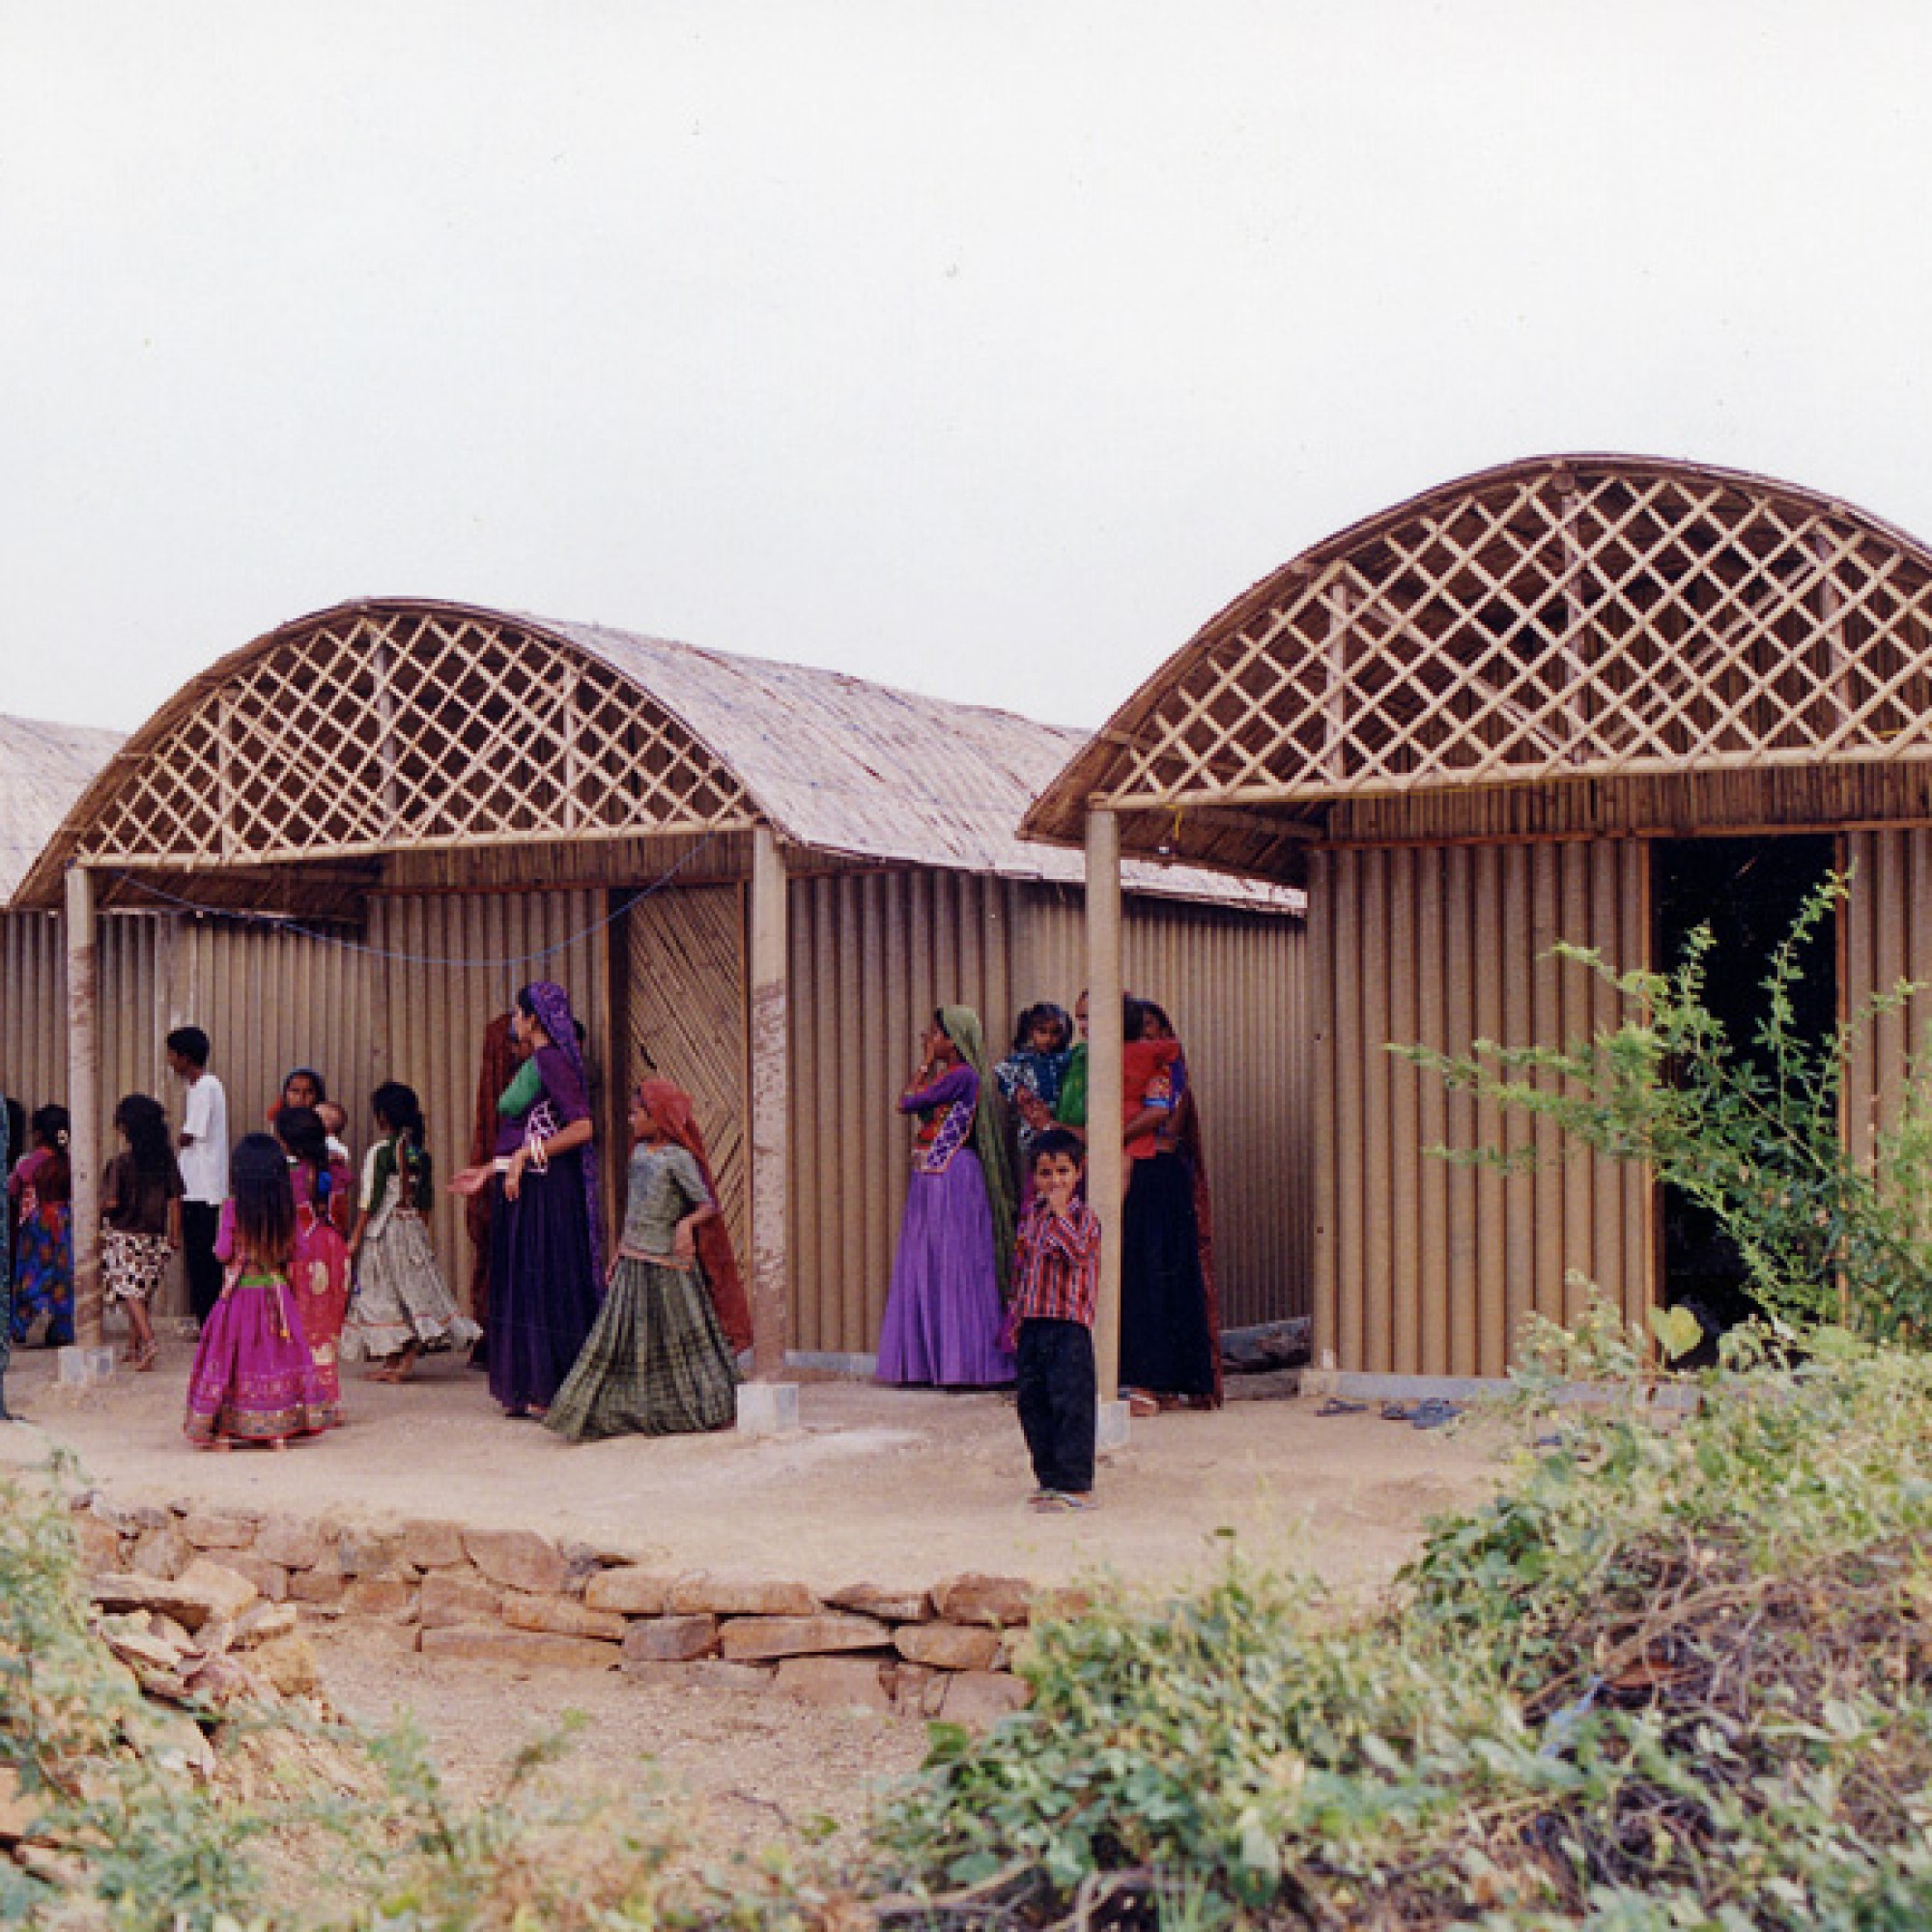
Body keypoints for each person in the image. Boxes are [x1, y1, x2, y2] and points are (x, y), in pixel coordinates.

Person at [547, 1079, 740, 1441]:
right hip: (634, 1260)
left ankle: (682, 1409)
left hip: (669, 1267)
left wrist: (685, 1225)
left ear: (658, 1117)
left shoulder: (679, 1159)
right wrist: (619, 1250)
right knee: (619, 1340)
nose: (631, 1121)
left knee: (676, 1342)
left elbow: (706, 1206)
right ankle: (621, 1411)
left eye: (637, 1114)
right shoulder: (638, 1154)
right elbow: (634, 1206)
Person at [877, 1007, 1017, 1388]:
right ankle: (935, 1363)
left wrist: (923, 1065)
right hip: (932, 1175)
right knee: (932, 1262)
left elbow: (906, 1102)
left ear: (953, 1040)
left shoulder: (963, 1077)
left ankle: (961, 1366)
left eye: (936, 1034)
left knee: (955, 1264)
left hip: (952, 1176)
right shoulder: (951, 1078)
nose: (929, 1039)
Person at [482, 982, 602, 1419]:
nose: (514, 1020)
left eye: (517, 1013)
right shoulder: (534, 1063)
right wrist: (490, 1170)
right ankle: (530, 1384)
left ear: (532, 1019)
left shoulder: (551, 1061)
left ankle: (550, 1386)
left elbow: (581, 1128)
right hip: (525, 1189)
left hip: (547, 1191)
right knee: (525, 1282)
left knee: (544, 1281)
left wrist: (524, 1156)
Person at [184, 1134, 333, 1450]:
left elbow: (223, 1252)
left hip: (240, 1295)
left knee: (232, 1358)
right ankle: (276, 1430)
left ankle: (225, 1432)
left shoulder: (231, 1209)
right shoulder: (285, 1210)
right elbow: (298, 1251)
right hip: (277, 1295)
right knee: (275, 1356)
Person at [1118, 999, 1219, 1412]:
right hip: (1147, 1171)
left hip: (1157, 1174)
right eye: (1141, 1032)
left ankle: (1156, 1382)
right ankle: (1164, 1383)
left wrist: (1114, 1133)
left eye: (1156, 1030)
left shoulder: (1166, 1073)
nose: (1151, 1039)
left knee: (1156, 1276)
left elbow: (1163, 1117)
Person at [342, 1081, 478, 1380]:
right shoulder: (419, 1153)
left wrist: (355, 1237)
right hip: (411, 1228)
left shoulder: (382, 1152)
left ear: (382, 1117)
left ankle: (401, 1360)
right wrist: (420, 1233)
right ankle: (395, 1361)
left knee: (384, 1292)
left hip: (384, 1231)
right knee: (410, 1291)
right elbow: (425, 1198)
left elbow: (371, 1198)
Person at [1004, 1128, 1102, 1513]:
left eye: (1063, 1171)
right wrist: (1015, 1317)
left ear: (1079, 1172)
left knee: (1070, 1402)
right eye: (1046, 1173)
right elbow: (1023, 1270)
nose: (1055, 1181)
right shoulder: (1032, 1217)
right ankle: (1049, 1479)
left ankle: (1076, 1482)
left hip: (1068, 1325)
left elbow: (1078, 1254)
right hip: (1034, 1323)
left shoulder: (1084, 1219)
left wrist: (1061, 1213)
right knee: (1034, 1403)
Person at [271, 1105, 354, 1408]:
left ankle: (305, 1400)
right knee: (326, 1329)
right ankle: (328, 1398)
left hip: (300, 1250)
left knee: (297, 1327)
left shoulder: (286, 1175)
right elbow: (340, 1216)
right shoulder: (334, 1171)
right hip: (332, 1249)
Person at [101, 1094, 184, 1372]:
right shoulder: (166, 1161)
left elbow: (111, 1202)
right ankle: (133, 1347)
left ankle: (149, 1343)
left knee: (130, 1292)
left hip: (126, 1232)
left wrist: (97, 1209)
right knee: (142, 1292)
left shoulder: (121, 1164)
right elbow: (175, 1198)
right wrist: (175, 1234)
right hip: (156, 1234)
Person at [166, 1026, 229, 1325]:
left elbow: (191, 1134)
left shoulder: (206, 1086)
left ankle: (211, 1319)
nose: (169, 1061)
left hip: (203, 1187)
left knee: (203, 1258)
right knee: (198, 1257)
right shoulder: (196, 1087)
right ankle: (208, 1319)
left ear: (184, 1057)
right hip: (195, 1184)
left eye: (171, 1054)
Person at [9, 1104, 73, 1349]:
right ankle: (61, 1329)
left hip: (39, 1224)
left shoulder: (30, 1162)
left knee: (31, 1273)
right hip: (64, 1221)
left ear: (37, 1134)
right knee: (62, 1274)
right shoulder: (68, 1160)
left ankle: (20, 1324)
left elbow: (13, 1188)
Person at [994, 1003, 1077, 1175]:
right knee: (1037, 1167)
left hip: (1061, 1122)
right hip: (1032, 1125)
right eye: (1042, 1032)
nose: (1048, 1039)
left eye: (1055, 1033)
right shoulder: (1023, 1061)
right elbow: (1002, 1075)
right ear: (1031, 1032)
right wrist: (1016, 1090)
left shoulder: (1068, 1059)